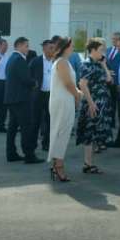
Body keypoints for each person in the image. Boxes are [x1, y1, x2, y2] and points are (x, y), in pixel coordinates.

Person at [46, 37, 81, 183]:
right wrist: (78, 94)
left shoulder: (63, 62)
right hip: (62, 101)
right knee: (62, 133)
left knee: (61, 132)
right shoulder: (62, 62)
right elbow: (68, 83)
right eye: (71, 46)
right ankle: (58, 166)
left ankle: (57, 164)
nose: (73, 48)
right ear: (65, 47)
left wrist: (76, 94)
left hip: (63, 100)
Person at [76, 38, 114, 173]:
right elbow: (82, 84)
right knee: (89, 133)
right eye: (100, 50)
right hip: (93, 104)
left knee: (95, 134)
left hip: (102, 103)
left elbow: (109, 79)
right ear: (92, 50)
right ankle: (88, 164)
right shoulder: (86, 64)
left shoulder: (99, 64)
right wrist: (91, 103)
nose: (103, 53)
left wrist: (104, 65)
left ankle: (89, 163)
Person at [4, 37, 39, 163]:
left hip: (12, 99)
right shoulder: (19, 60)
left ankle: (11, 153)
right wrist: (35, 83)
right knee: (26, 127)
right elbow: (26, 79)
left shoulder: (11, 59)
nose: (28, 49)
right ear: (18, 46)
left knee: (12, 127)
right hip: (21, 99)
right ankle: (29, 155)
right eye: (26, 46)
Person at [31, 39, 56, 151]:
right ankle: (32, 144)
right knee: (35, 120)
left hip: (51, 95)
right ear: (44, 49)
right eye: (51, 48)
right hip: (38, 95)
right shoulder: (36, 61)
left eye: (54, 48)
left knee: (50, 120)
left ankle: (46, 143)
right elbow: (29, 75)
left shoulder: (56, 61)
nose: (53, 50)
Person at [105, 32, 120, 130]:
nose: (114, 41)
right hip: (108, 81)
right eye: (113, 39)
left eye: (116, 39)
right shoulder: (107, 50)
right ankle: (111, 122)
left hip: (118, 82)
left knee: (119, 104)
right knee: (110, 103)